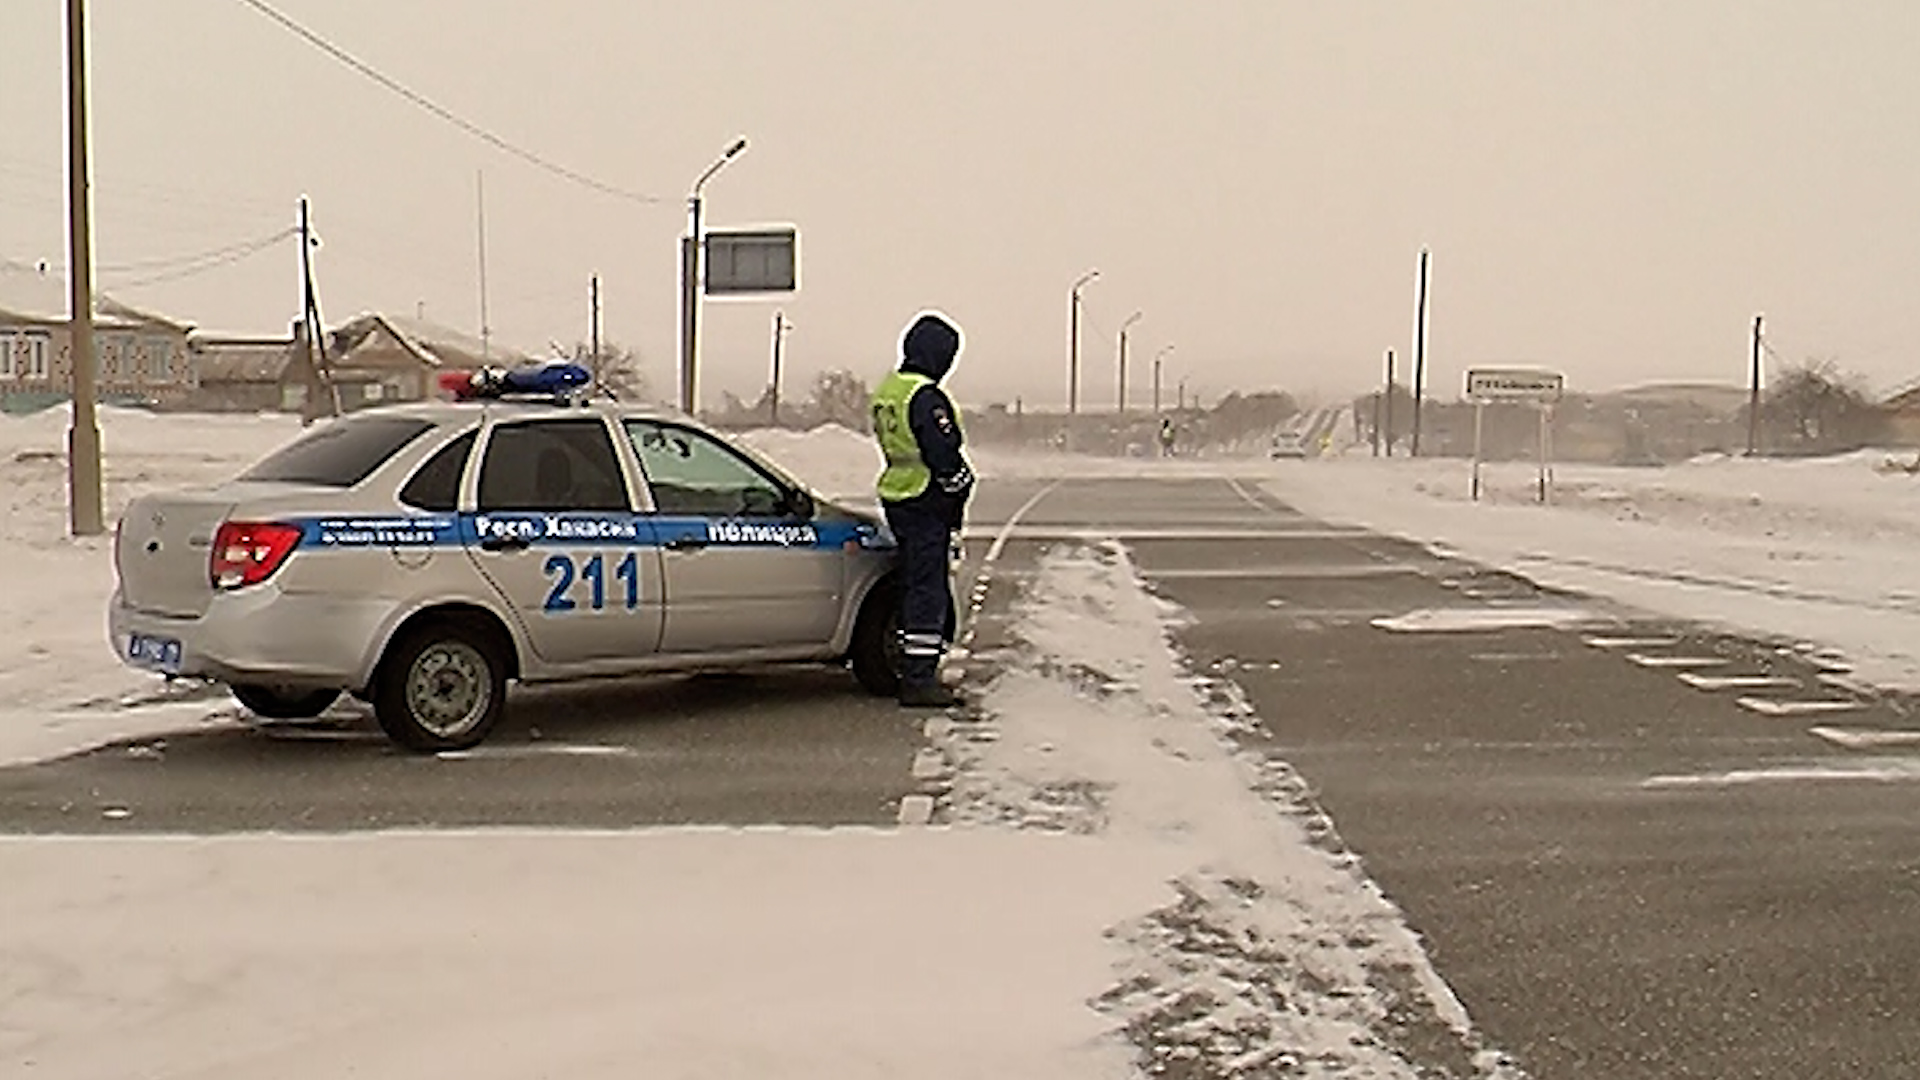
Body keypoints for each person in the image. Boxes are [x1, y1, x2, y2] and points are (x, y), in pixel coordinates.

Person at [870, 312, 973, 708]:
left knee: (914, 581)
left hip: (898, 495)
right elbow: (942, 453)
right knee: (926, 589)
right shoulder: (925, 397)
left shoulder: (889, 390)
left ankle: (911, 662)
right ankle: (918, 677)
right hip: (925, 498)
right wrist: (960, 487)